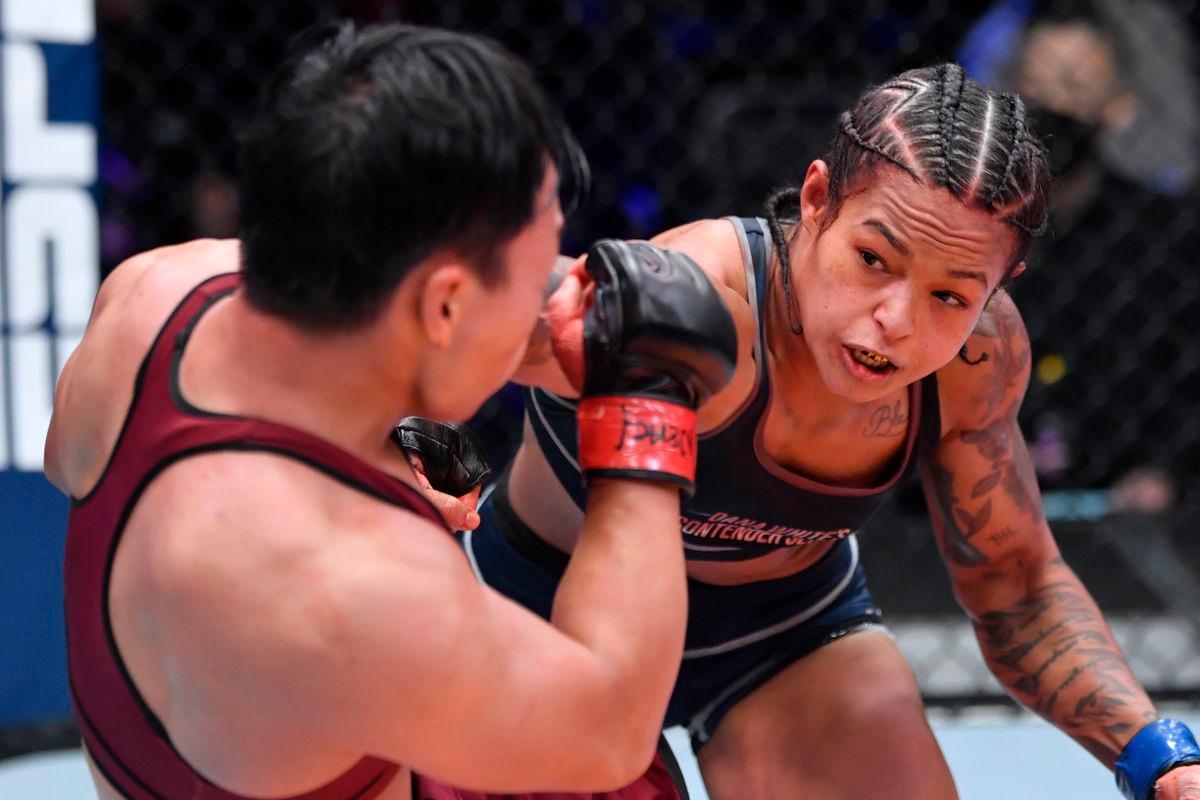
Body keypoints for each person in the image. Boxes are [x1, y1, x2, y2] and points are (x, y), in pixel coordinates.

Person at [43, 22, 738, 800]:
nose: (554, 282)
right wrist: (645, 404)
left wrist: (392, 428)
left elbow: (63, 455)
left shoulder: (156, 294)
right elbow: (610, 733)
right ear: (443, 305)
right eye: (535, 258)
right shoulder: (350, 587)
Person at [468, 63, 1200, 799]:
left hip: (780, 634)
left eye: (950, 294)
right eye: (874, 259)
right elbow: (433, 299)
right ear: (817, 199)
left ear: (1001, 285)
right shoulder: (691, 297)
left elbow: (1015, 583)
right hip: (546, 608)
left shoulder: (976, 358)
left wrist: (1160, 753)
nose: (896, 319)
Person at [1003, 6, 1200, 509]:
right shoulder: (960, 232)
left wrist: (1170, 475)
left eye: (1074, 87)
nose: (1052, 106)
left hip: (1136, 517)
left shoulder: (1169, 240)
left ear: (1118, 105)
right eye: (1036, 88)